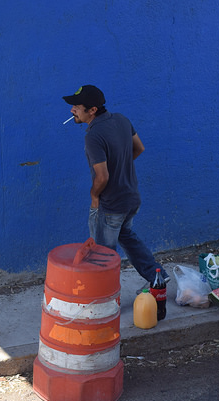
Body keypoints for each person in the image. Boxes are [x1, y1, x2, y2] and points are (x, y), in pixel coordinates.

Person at [63, 85, 169, 289]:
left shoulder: (93, 136)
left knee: (102, 255)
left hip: (111, 204)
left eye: (77, 106)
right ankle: (158, 277)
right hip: (131, 198)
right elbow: (139, 148)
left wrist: (94, 196)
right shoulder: (121, 119)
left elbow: (102, 177)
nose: (72, 110)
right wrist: (120, 165)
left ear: (92, 110)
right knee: (127, 237)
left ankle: (104, 296)